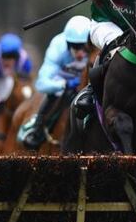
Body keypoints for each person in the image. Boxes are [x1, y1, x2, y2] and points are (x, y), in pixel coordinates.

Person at [17, 16, 91, 149]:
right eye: (75, 47)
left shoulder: (96, 43)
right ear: (67, 43)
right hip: (64, 80)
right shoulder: (58, 46)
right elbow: (41, 83)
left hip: (87, 81)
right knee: (57, 92)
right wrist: (63, 85)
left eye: (84, 47)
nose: (80, 53)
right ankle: (37, 129)